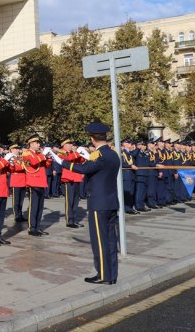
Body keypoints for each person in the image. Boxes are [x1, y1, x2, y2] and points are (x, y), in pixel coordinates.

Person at [49, 122, 120, 285]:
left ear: (92, 139)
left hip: (98, 203)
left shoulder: (99, 155)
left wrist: (61, 162)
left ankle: (103, 274)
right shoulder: (113, 154)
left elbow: (84, 169)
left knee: (99, 241)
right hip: (111, 201)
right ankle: (111, 274)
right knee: (110, 241)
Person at [21, 135, 50, 236]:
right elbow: (33, 162)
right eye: (37, 143)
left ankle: (37, 227)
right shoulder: (26, 153)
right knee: (34, 207)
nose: (39, 145)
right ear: (32, 144)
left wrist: (49, 158)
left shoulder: (38, 154)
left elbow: (47, 165)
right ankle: (32, 228)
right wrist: (43, 155)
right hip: (32, 183)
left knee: (40, 207)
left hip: (41, 182)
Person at [57, 138, 85, 228]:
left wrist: (78, 153)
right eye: (69, 144)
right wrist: (76, 152)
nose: (71, 145)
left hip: (76, 178)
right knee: (70, 201)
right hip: (68, 179)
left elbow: (81, 160)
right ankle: (69, 221)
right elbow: (69, 158)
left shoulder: (73, 153)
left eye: (71, 144)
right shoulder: (61, 152)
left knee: (76, 201)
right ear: (64, 145)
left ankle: (75, 220)